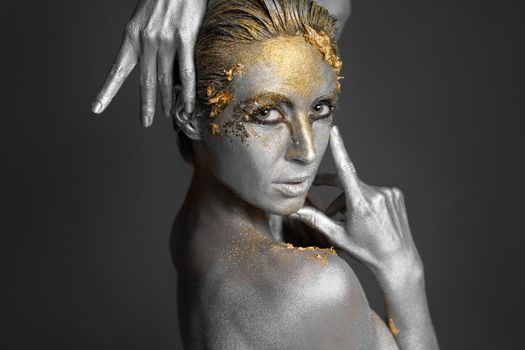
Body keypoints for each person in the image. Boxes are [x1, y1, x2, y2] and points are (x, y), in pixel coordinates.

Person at [92, 0, 439, 349]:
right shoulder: (312, 286)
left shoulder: (203, 221)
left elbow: (337, 6)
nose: (306, 152)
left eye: (320, 108)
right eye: (267, 114)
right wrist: (403, 272)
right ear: (190, 115)